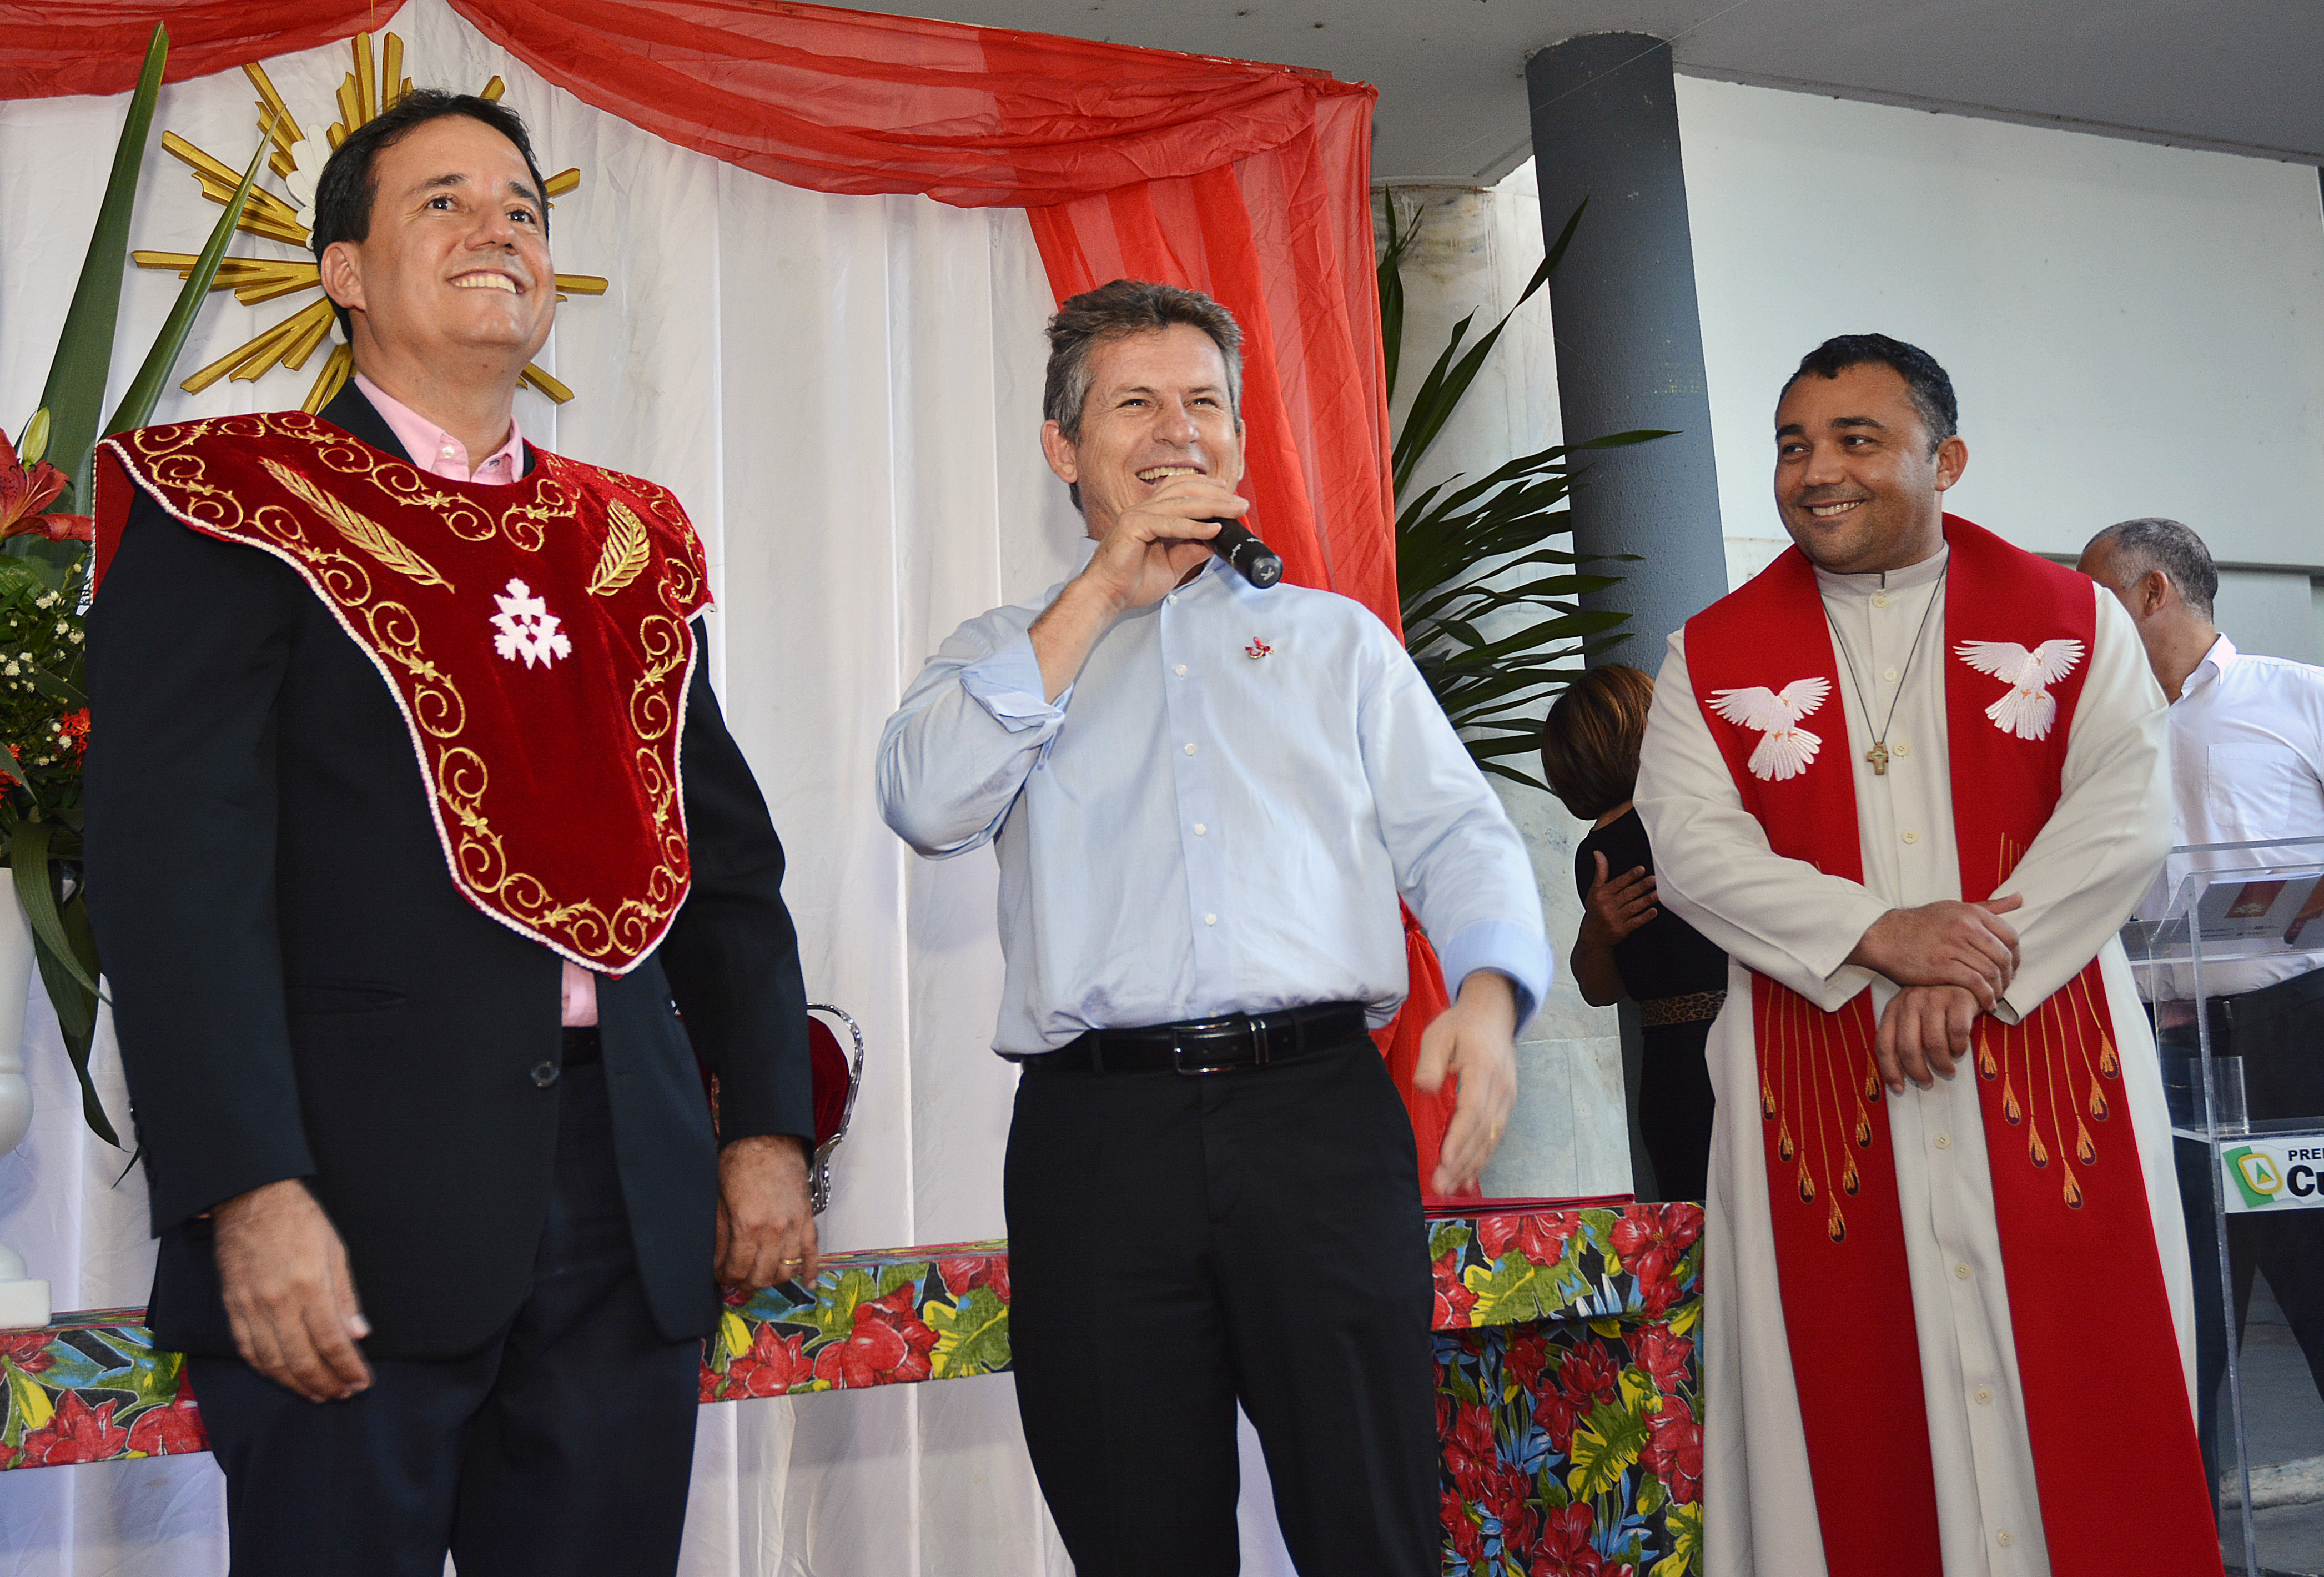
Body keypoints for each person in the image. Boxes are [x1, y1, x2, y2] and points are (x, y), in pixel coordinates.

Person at [82, 92, 816, 1576]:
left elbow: (727, 865)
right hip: (346, 1204)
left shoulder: (627, 541)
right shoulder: (236, 505)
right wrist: (246, 1189)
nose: (500, 229)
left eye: (524, 209)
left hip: (631, 1201)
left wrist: (765, 1127)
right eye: (445, 202)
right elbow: (175, 880)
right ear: (344, 271)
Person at [876, 279, 1550, 1576]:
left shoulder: (1335, 642)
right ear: (1063, 446)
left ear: (1239, 438)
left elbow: (1462, 838)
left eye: (1204, 403)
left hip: (1316, 1122)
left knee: (1373, 1525)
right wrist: (1101, 594)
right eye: (1135, 403)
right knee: (1139, 1537)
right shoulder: (1005, 650)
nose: (1177, 430)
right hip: (1098, 1138)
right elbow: (924, 801)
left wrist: (1486, 992)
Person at [1636, 333, 2219, 1574]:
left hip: (2047, 1056)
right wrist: (1877, 935)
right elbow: (1688, 848)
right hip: (1816, 1070)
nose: (1816, 471)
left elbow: (2124, 814)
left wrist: (1965, 966)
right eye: (1793, 445)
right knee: (1844, 1419)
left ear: (1944, 461)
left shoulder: (2075, 620)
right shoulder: (1710, 653)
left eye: (1857, 440)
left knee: (2081, 1395)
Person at [2078, 515, 2324, 1505]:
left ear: (2153, 592)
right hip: (2161, 1056)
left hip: (2303, 1037)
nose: (2077, 619)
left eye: (2096, 595)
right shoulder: (2093, 737)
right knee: (2177, 1311)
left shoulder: (2304, 697)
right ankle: (2182, 1534)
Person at [1544, 664, 1724, 1201]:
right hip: (1742, 1048)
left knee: (1695, 1230)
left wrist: (1594, 937)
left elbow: (1603, 990)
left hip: (1668, 1072)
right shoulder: (1697, 818)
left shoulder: (1593, 855)